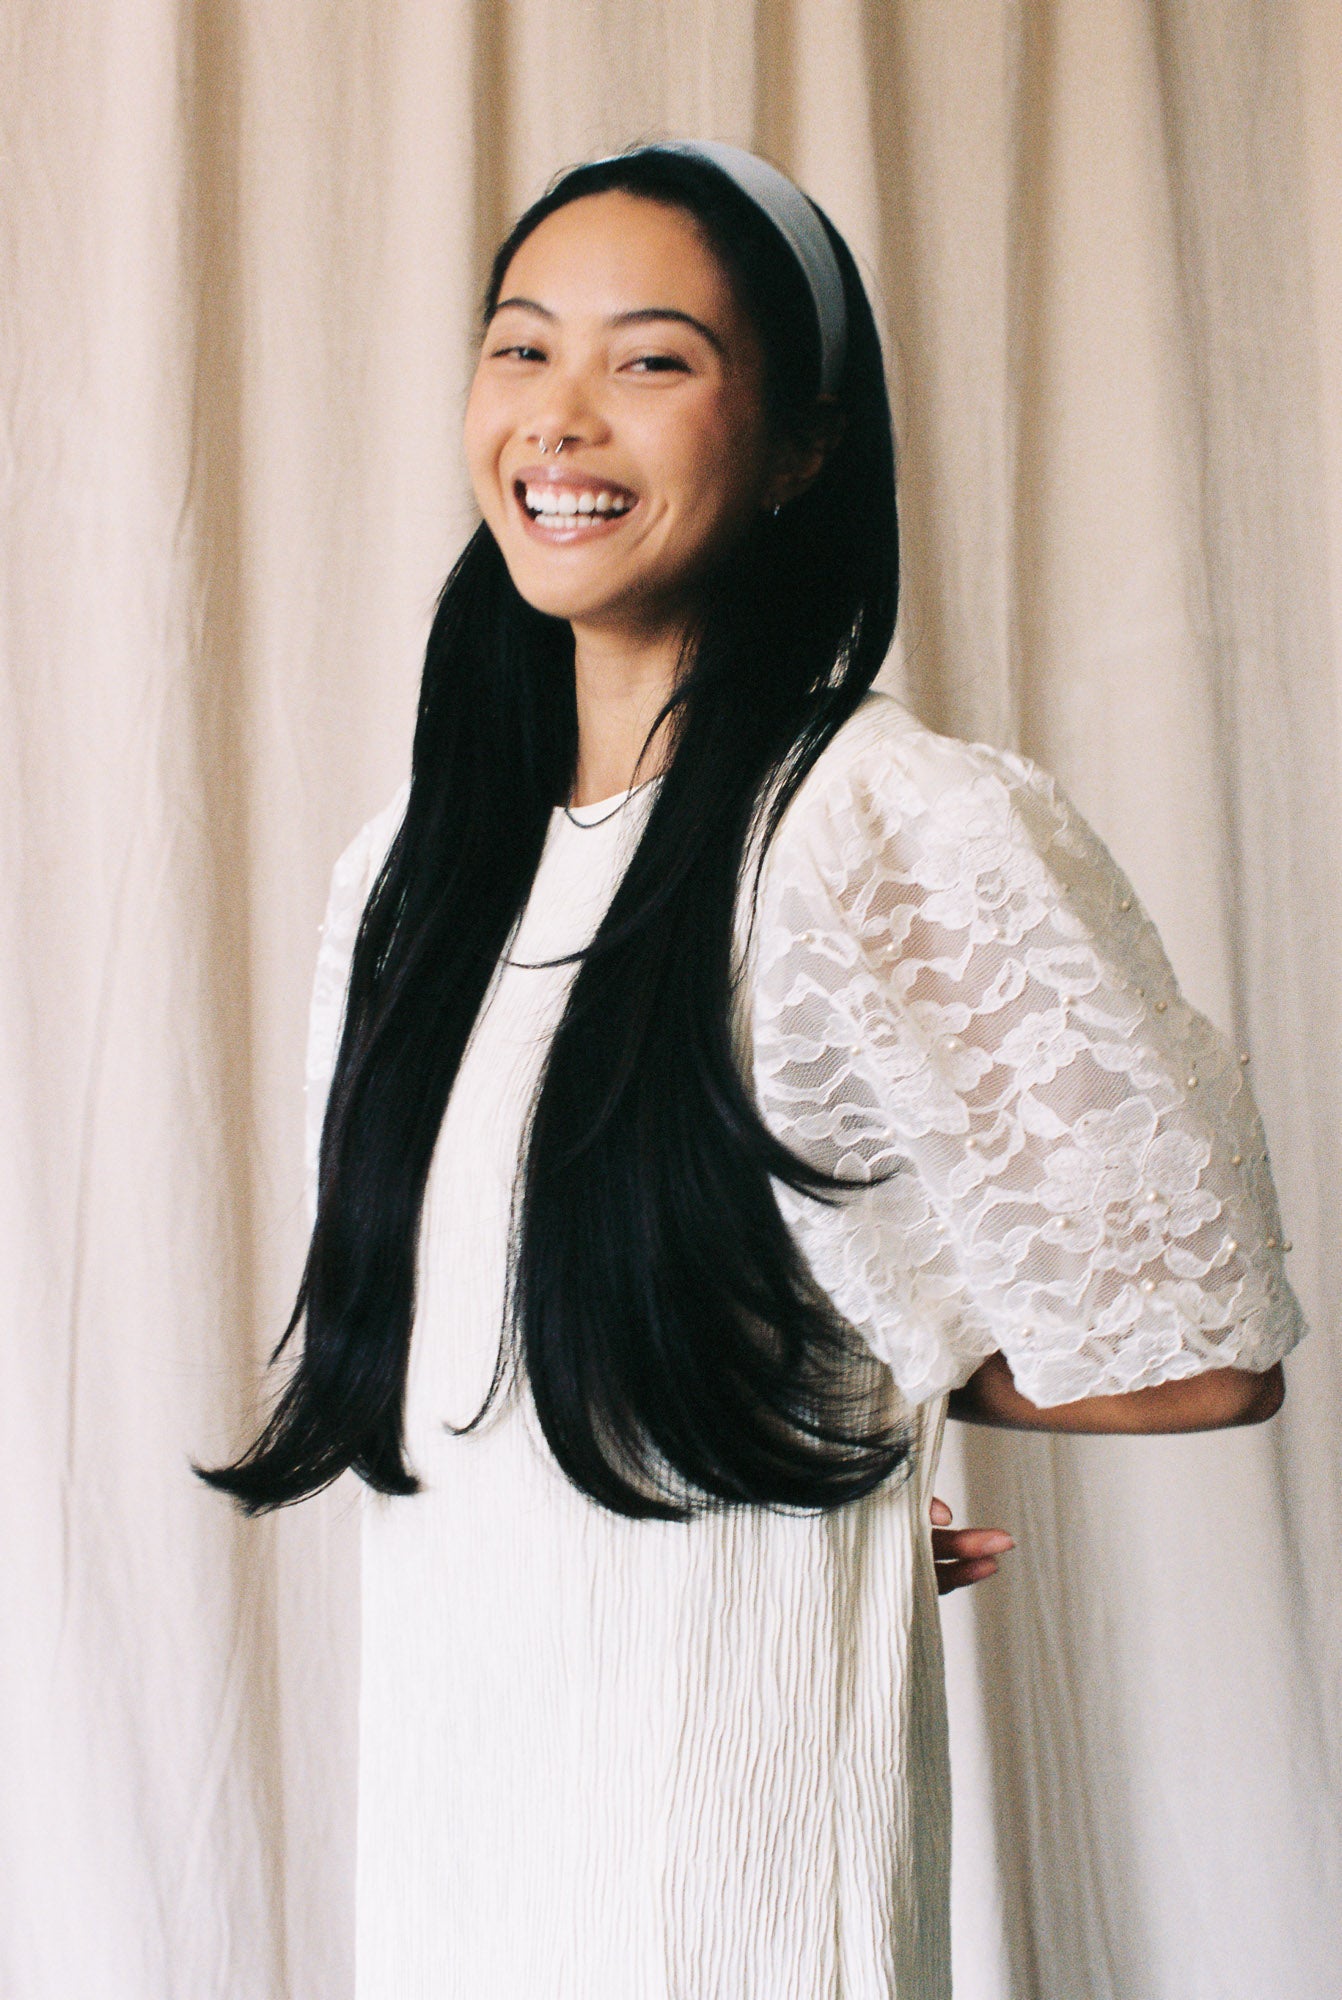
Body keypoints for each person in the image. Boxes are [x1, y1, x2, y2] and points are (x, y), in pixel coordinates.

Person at [203, 142, 1303, 1999]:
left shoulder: (884, 824)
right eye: (518, 348)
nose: (559, 418)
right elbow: (467, 1308)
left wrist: (824, 1406)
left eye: (650, 360)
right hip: (464, 1770)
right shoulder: (418, 860)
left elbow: (1197, 1355)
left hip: (725, 1801)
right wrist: (749, 1387)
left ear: (799, 445)